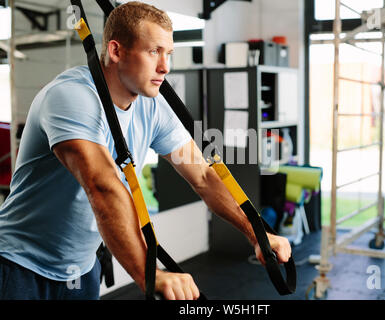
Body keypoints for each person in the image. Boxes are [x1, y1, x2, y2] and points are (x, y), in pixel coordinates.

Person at [0, 1, 292, 300]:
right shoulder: (71, 97)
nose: (165, 66)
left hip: (81, 269)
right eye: (154, 52)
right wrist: (149, 273)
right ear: (115, 51)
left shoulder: (151, 107)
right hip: (19, 266)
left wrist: (256, 231)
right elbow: (102, 186)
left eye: (169, 54)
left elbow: (203, 176)